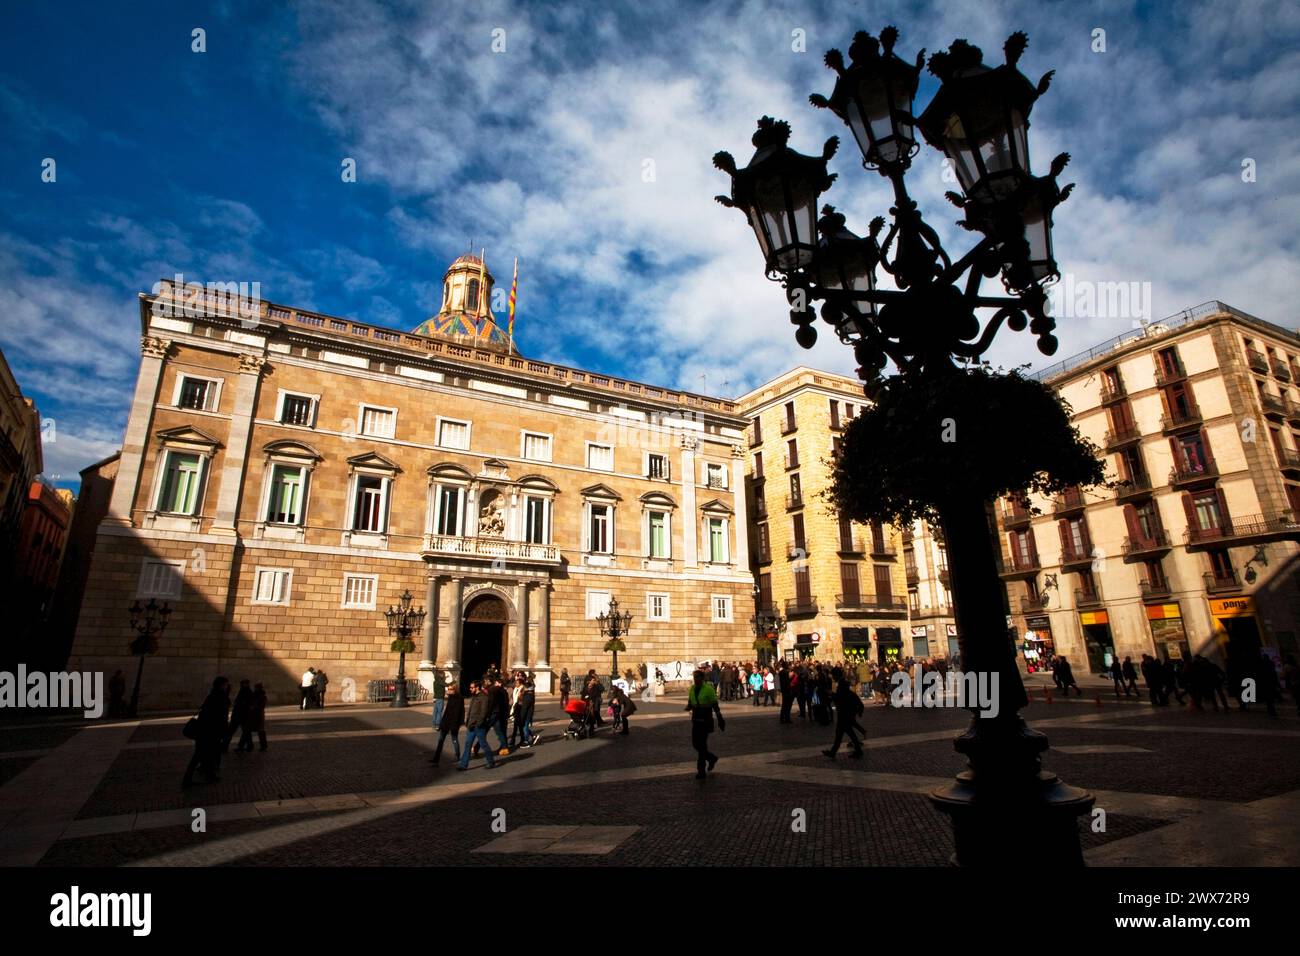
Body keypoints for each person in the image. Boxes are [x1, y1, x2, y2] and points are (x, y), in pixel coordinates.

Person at [183, 676, 231, 787]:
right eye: (226, 684)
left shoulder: (211, 695)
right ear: (222, 685)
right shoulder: (222, 697)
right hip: (211, 731)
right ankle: (187, 779)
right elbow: (222, 717)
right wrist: (225, 731)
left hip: (204, 729)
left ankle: (210, 775)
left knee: (206, 754)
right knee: (201, 755)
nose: (227, 686)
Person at [686, 669, 725, 779]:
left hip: (706, 721)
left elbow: (715, 706)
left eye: (698, 677)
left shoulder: (708, 689)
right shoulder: (692, 689)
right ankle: (711, 758)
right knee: (695, 744)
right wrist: (689, 707)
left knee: (702, 745)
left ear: (702, 678)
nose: (696, 679)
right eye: (695, 677)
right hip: (695, 721)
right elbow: (690, 702)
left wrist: (720, 720)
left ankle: (701, 770)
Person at [823, 668, 865, 760]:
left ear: (837, 675)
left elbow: (841, 698)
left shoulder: (842, 685)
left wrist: (831, 694)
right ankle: (833, 752)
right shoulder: (842, 683)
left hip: (844, 714)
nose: (833, 677)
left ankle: (857, 751)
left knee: (847, 733)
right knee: (841, 734)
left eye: (834, 675)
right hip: (844, 713)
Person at [458, 682, 499, 771]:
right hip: (471, 725)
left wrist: (479, 723)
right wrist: (468, 721)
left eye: (472, 687)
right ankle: (463, 765)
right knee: (468, 744)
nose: (470, 689)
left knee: (483, 744)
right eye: (470, 687)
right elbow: (471, 711)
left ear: (477, 688)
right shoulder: (474, 696)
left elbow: (483, 713)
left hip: (478, 726)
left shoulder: (484, 697)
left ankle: (491, 762)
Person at [432, 682, 464, 765]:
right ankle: (436, 758)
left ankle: (457, 756)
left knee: (454, 739)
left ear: (455, 689)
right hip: (446, 722)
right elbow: (446, 712)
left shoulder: (459, 698)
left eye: (450, 689)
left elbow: (458, 713)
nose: (448, 691)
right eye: (448, 689)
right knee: (440, 740)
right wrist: (442, 723)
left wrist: (455, 725)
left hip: (453, 723)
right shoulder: (451, 697)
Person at [237, 682, 269, 752]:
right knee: (246, 731)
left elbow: (262, 706)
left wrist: (254, 707)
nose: (255, 689)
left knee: (260, 731)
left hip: (258, 716)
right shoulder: (253, 695)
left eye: (256, 687)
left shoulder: (263, 696)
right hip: (252, 715)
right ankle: (241, 746)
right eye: (255, 687)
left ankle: (263, 746)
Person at [224, 679, 253, 752]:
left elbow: (244, 703)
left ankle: (225, 746)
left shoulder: (246, 692)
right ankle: (248, 745)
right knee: (245, 732)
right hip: (241, 715)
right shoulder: (245, 691)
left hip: (240, 715)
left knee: (231, 731)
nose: (241, 685)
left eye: (242, 683)